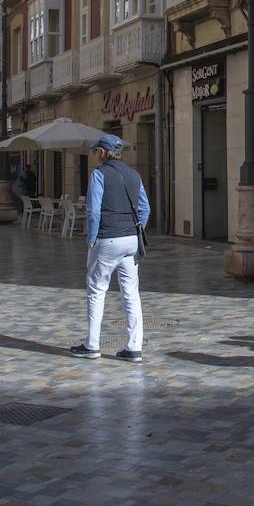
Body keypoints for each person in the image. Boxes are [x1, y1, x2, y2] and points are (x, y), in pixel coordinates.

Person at [70, 135, 149, 363]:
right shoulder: (134, 175)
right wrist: (136, 230)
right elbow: (145, 208)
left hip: (107, 238)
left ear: (103, 153)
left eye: (97, 152)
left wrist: (92, 239)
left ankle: (92, 345)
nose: (95, 155)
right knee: (131, 294)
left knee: (96, 290)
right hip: (131, 240)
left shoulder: (99, 174)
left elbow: (93, 212)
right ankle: (134, 348)